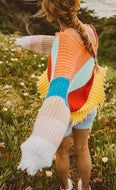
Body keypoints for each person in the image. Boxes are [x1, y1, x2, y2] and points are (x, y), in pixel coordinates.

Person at [15, 0, 108, 189]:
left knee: (62, 153)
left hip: (64, 107)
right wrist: (29, 41)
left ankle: (65, 187)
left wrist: (42, 135)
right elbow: (70, 49)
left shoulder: (65, 40)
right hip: (87, 102)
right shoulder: (88, 30)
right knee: (83, 149)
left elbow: (59, 82)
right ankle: (86, 186)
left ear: (49, 12)